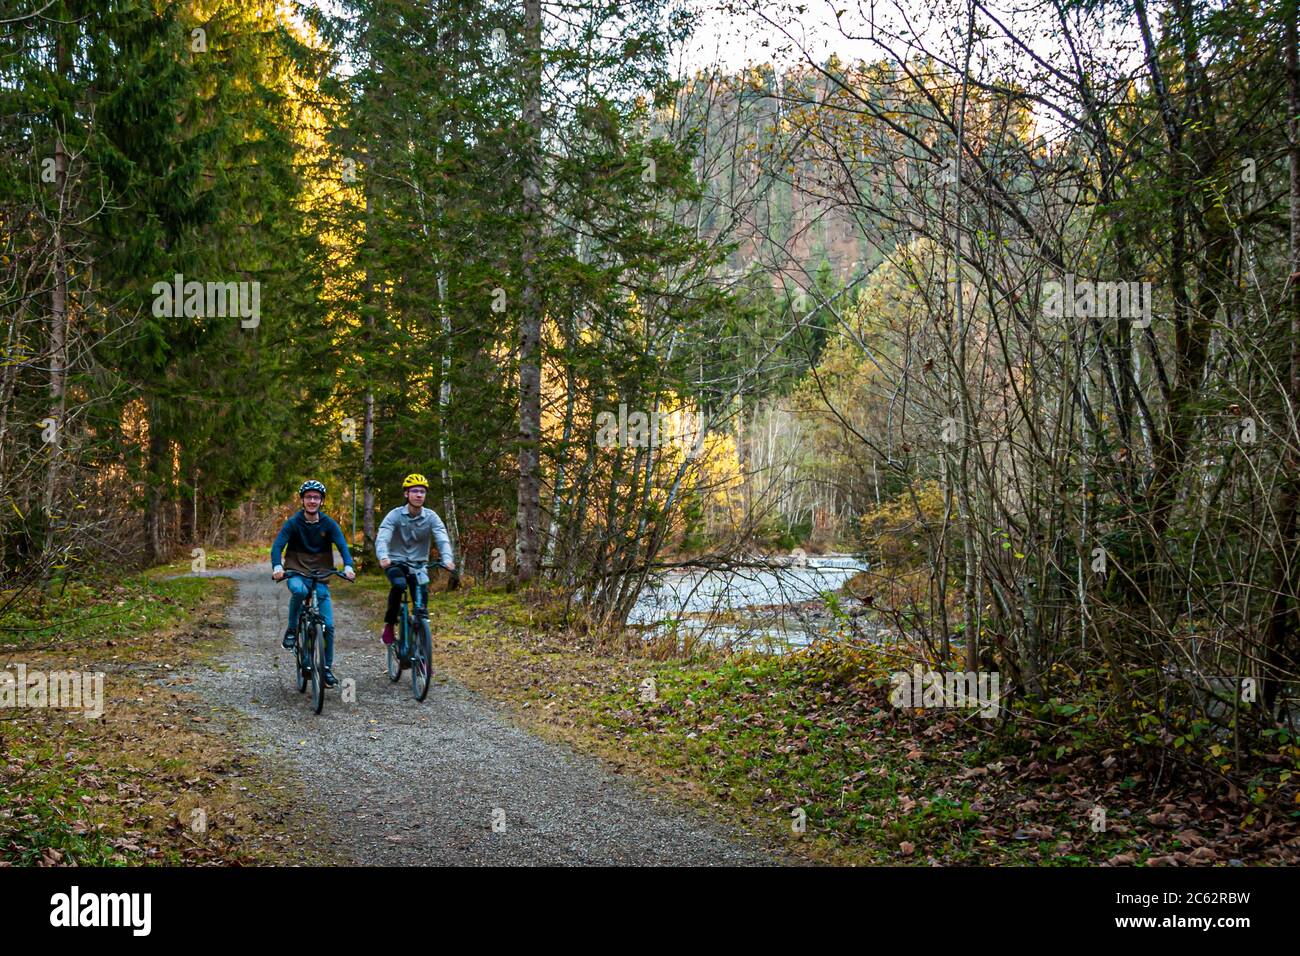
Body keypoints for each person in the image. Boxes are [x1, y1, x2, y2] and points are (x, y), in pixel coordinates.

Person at [271, 480, 356, 687]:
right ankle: (292, 629)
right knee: (299, 591)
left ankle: (326, 668)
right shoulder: (293, 523)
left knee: (329, 626)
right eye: (308, 497)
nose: (312, 501)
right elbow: (277, 547)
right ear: (302, 500)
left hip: (321, 575)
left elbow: (343, 546)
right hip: (297, 572)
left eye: (316, 497)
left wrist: (348, 566)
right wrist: (277, 567)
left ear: (321, 501)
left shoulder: (329, 524)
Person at [376, 473, 456, 645]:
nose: (419, 495)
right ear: (406, 494)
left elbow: (442, 538)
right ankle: (389, 624)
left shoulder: (431, 517)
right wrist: (383, 556)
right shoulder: (395, 515)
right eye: (415, 491)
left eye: (422, 492)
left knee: (422, 604)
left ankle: (421, 648)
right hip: (396, 563)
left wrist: (447, 559)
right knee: (398, 585)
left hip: (419, 566)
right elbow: (383, 537)